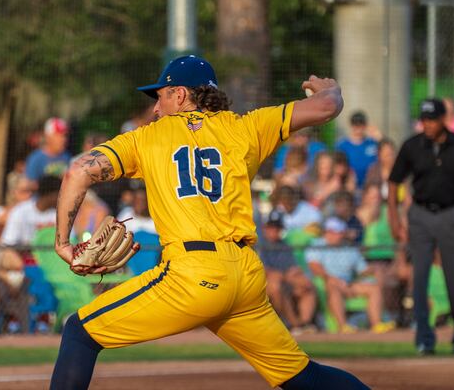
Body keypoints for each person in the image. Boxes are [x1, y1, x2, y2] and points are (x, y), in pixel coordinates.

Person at [50, 55, 367, 389]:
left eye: (160, 96)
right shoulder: (248, 126)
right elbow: (327, 106)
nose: (156, 109)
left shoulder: (146, 138)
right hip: (244, 277)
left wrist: (62, 243)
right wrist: (328, 88)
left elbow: (79, 171)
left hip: (192, 275)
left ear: (181, 95)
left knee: (79, 333)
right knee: (302, 375)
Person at [388, 98, 454, 356]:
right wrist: (394, 219)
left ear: (443, 119)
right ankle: (424, 339)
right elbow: (394, 182)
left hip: (452, 213)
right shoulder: (412, 146)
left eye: (432, 119)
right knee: (419, 279)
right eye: (424, 119)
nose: (427, 124)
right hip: (420, 215)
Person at [306, 217, 395, 334]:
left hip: (349, 283)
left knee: (374, 289)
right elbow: (315, 267)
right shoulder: (316, 245)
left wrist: (376, 269)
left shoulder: (349, 248)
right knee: (332, 286)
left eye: (339, 232)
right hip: (329, 282)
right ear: (327, 232)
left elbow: (362, 270)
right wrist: (335, 281)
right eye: (333, 232)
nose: (337, 235)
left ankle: (377, 324)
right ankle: (343, 326)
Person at [257, 210, 317, 335]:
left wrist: (292, 276)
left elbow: (294, 269)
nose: (274, 230)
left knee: (306, 284)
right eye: (271, 227)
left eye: (277, 227)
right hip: (262, 287)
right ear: (264, 228)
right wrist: (284, 276)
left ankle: (304, 323)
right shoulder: (259, 245)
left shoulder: (284, 245)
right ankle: (292, 324)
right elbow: (265, 271)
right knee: (276, 285)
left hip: (285, 280)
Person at [1, 175, 59, 246]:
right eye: (59, 194)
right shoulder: (20, 211)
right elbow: (8, 243)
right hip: (22, 255)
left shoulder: (58, 215)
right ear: (51, 195)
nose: (61, 198)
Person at [335, 111, 378, 187]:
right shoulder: (342, 145)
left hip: (369, 185)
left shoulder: (372, 143)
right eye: (355, 124)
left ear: (365, 125)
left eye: (361, 124)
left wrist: (378, 136)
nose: (358, 127)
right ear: (351, 125)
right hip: (349, 184)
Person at [25, 117, 71, 182]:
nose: (63, 139)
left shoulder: (67, 156)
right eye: (58, 135)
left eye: (65, 135)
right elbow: (28, 185)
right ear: (47, 136)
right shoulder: (36, 159)